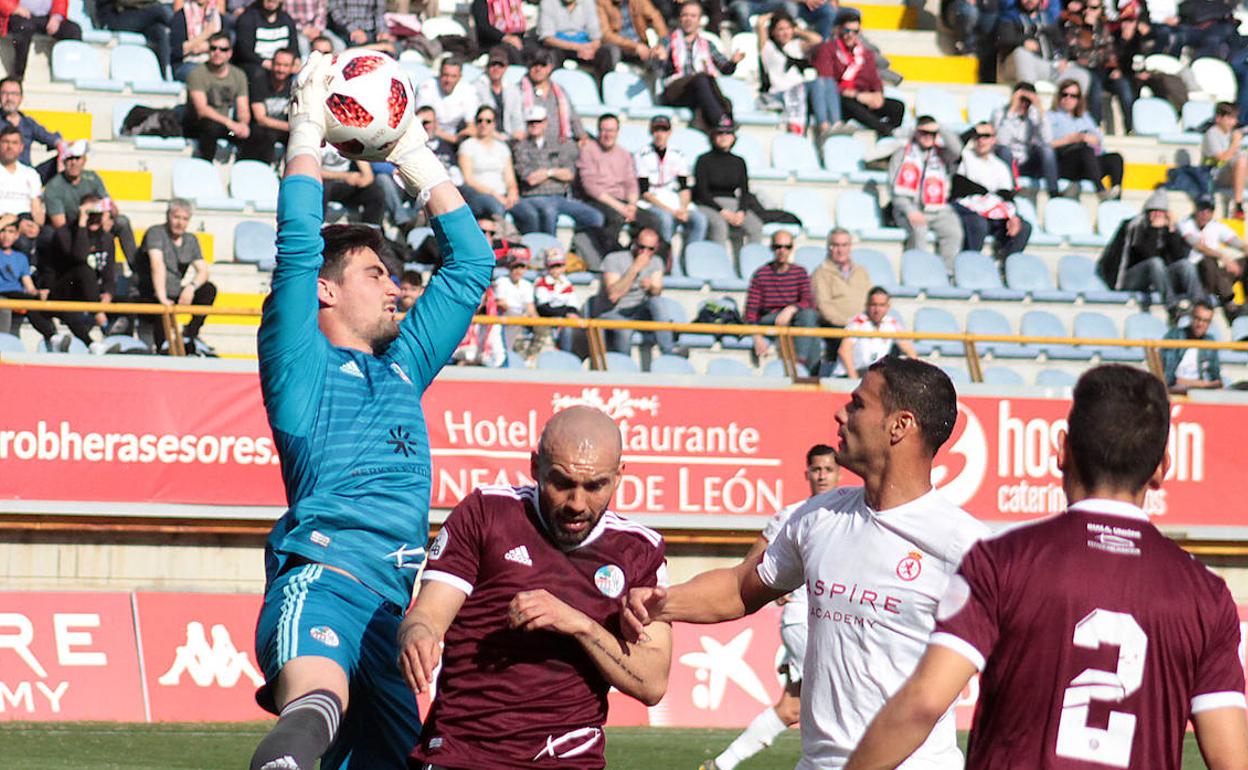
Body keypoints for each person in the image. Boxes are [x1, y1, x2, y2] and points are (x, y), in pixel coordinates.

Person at [247, 50, 493, 770]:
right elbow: (298, 248)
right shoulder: (299, 364)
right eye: (376, 274)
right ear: (326, 293)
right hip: (322, 581)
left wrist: (414, 154)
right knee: (315, 711)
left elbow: (472, 265)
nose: (396, 289)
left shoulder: (401, 367)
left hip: (393, 616)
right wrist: (304, 131)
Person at [844, 364, 1248, 770]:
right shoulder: (1206, 596)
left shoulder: (1002, 561)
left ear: (1061, 450)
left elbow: (924, 703)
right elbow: (1231, 761)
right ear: (1163, 467)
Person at [622, 356, 989, 769]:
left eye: (857, 404)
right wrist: (661, 603)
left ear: (899, 425)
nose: (840, 412)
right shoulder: (817, 518)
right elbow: (739, 588)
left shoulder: (967, 546)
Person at [400, 405, 672, 769]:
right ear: (535, 467)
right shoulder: (487, 513)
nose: (577, 503)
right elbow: (428, 616)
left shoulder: (640, 550)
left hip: (569, 760)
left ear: (619, 476)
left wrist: (580, 625)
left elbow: (652, 682)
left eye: (595, 486)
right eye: (562, 483)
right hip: (463, 753)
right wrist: (417, 636)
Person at [700, 445, 841, 770]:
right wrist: (770, 586)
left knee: (792, 707)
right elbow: (751, 565)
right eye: (816, 469)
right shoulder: (792, 514)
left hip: (829, 622)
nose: (822, 475)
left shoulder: (847, 513)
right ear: (807, 473)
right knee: (837, 703)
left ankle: (721, 765)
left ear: (838, 472)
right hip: (803, 622)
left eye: (828, 469)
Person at [132, 198, 218, 354]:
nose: (180, 223)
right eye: (176, 217)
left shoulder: (190, 240)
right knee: (159, 304)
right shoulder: (156, 233)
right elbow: (157, 265)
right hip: (150, 293)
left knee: (208, 289)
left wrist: (192, 287)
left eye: (185, 219)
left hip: (174, 292)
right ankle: (163, 346)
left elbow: (203, 270)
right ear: (168, 216)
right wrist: (163, 298)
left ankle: (190, 334)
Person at [1098, 188, 1202, 315]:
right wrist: (1153, 230)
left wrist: (1172, 230)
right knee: (1155, 262)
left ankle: (1199, 306)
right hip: (1128, 277)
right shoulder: (1136, 226)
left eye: (1161, 212)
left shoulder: (1168, 228)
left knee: (1186, 265)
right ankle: (1172, 307)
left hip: (1158, 277)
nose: (1157, 215)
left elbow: (1179, 256)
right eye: (1153, 211)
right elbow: (1147, 254)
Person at [510, 106, 605, 241]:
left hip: (560, 196)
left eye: (538, 121)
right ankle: (550, 252)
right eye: (531, 122)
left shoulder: (559, 145)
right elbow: (529, 178)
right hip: (534, 196)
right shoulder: (520, 147)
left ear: (546, 122)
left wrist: (547, 173)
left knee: (594, 216)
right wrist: (556, 173)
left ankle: (586, 250)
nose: (535, 125)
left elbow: (569, 174)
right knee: (549, 212)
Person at [41, 140, 138, 267]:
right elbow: (60, 224)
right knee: (54, 234)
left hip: (97, 223)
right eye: (69, 159)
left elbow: (112, 207)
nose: (73, 163)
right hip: (73, 227)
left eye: (77, 158)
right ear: (63, 161)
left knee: (122, 222)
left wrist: (106, 218)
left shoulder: (92, 178)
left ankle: (137, 269)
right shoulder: (54, 186)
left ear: (84, 160)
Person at [577, 114, 657, 262]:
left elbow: (631, 183)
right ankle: (614, 260)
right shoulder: (588, 150)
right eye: (604, 130)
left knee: (651, 220)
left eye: (611, 130)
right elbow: (590, 186)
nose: (608, 135)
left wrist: (632, 206)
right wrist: (620, 207)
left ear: (617, 132)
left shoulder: (624, 154)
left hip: (623, 202)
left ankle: (646, 260)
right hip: (599, 200)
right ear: (598, 131)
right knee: (614, 219)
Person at [812, 11, 905, 138]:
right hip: (840, 99)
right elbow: (826, 81)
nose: (850, 35)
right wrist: (857, 95)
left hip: (864, 98)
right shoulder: (827, 50)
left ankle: (883, 131)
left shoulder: (865, 54)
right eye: (846, 31)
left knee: (898, 107)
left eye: (855, 32)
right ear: (839, 30)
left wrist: (877, 94)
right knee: (849, 103)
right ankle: (884, 130)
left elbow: (875, 80)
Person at [591, 227, 681, 355]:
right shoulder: (614, 259)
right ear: (634, 243)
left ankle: (668, 352)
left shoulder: (656, 261)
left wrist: (651, 287)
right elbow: (613, 295)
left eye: (650, 249)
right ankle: (624, 366)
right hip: (613, 311)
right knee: (625, 329)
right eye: (641, 247)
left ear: (656, 248)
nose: (644, 252)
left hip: (637, 310)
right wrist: (635, 268)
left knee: (658, 303)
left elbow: (657, 292)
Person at [889, 117, 965, 268]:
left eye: (932, 133)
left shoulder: (942, 155)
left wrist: (940, 126)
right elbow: (894, 189)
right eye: (924, 132)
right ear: (916, 132)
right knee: (919, 230)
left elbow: (958, 150)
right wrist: (910, 211)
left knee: (954, 232)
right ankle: (918, 272)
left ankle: (946, 273)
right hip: (909, 207)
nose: (928, 136)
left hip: (936, 209)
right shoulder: (902, 154)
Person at [42, 193, 116, 346]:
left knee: (127, 302)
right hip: (66, 289)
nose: (95, 218)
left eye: (98, 214)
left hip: (91, 293)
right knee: (84, 269)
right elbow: (80, 256)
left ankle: (121, 342)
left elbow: (109, 272)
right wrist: (82, 225)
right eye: (91, 213)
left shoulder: (107, 238)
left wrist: (108, 293)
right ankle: (101, 320)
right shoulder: (64, 233)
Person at [744, 229, 820, 373]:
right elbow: (751, 311)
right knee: (810, 324)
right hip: (770, 318)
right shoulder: (761, 274)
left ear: (792, 249)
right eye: (778, 247)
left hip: (794, 317)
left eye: (787, 247)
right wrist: (756, 335)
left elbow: (808, 301)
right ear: (772, 248)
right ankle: (800, 368)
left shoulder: (800, 272)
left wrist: (791, 309)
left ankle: (804, 370)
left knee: (811, 325)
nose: (782, 251)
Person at [952, 122, 1031, 261]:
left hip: (992, 212)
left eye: (986, 136)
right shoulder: (964, 156)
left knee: (1023, 227)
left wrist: (1013, 216)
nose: (981, 140)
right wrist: (973, 130)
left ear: (994, 139)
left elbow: (1007, 196)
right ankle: (969, 265)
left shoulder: (1000, 166)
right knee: (978, 223)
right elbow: (954, 145)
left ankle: (1006, 265)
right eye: (978, 136)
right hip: (966, 207)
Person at [660, 1, 742, 131]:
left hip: (699, 90)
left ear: (699, 20)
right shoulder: (668, 41)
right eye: (685, 15)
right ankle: (722, 121)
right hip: (675, 90)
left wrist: (733, 62)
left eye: (693, 16)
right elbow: (659, 65)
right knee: (704, 80)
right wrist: (660, 58)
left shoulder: (707, 44)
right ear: (679, 18)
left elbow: (725, 69)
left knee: (710, 90)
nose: (688, 19)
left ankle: (704, 126)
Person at [635, 115, 707, 256]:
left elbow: (684, 187)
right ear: (651, 132)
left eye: (663, 130)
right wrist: (671, 211)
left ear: (669, 133)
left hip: (673, 198)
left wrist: (683, 209)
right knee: (665, 219)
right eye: (656, 130)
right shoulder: (642, 155)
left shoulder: (677, 154)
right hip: (652, 200)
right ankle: (667, 259)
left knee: (699, 220)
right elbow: (645, 192)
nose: (660, 134)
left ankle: (690, 257)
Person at [693, 118, 763, 257]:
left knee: (756, 226)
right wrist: (722, 211)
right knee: (719, 226)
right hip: (709, 203)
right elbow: (702, 191)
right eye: (720, 133)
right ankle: (718, 264)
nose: (724, 137)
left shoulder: (739, 161)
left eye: (728, 133)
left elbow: (744, 190)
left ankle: (752, 265)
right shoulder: (703, 160)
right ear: (713, 136)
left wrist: (741, 211)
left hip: (733, 202)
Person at [1047, 78, 1124, 201]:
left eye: (1073, 96)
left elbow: (1099, 139)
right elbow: (1045, 144)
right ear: (1058, 96)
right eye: (1064, 94)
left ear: (1079, 99)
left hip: (1088, 162)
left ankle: (1116, 196)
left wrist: (1092, 139)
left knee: (1115, 158)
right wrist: (1071, 139)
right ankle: (1100, 190)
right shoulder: (1050, 116)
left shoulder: (1085, 117)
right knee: (1085, 150)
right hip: (1065, 160)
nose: (1068, 99)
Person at [184, 32, 252, 161]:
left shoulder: (238, 75)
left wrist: (242, 125)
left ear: (230, 53)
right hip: (198, 126)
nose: (217, 52)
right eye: (213, 48)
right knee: (210, 127)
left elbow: (243, 108)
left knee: (254, 133)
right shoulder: (197, 74)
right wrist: (230, 123)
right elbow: (202, 110)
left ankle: (246, 172)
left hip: (226, 128)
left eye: (223, 49)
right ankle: (205, 166)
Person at [1179, 198, 1248, 318]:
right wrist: (1223, 257)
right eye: (1202, 210)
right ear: (1195, 210)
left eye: (1208, 211)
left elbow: (1238, 243)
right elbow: (1197, 245)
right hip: (1196, 272)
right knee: (1208, 261)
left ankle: (1241, 302)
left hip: (1216, 275)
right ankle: (1228, 302)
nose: (1205, 214)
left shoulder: (1215, 226)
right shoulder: (1186, 223)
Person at [811, 228, 872, 365]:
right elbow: (823, 306)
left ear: (850, 247)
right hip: (837, 328)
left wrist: (864, 324)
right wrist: (849, 325)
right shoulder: (820, 273)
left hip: (862, 326)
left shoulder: (861, 271)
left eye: (844, 245)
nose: (840, 250)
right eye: (836, 245)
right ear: (829, 247)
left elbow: (871, 299)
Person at [992, 81, 1059, 199]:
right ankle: (1011, 190)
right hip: (1007, 160)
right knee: (1004, 151)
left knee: (1047, 150)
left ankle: (1053, 191)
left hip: (1027, 160)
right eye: (1021, 100)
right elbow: (1001, 141)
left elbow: (1048, 140)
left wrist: (1039, 108)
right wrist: (1012, 111)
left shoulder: (1034, 114)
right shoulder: (1001, 112)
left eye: (1027, 101)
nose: (1023, 104)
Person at [832, 286, 916, 379]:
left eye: (881, 305)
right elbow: (844, 351)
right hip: (848, 375)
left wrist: (916, 375)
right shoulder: (857, 323)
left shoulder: (892, 324)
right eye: (874, 305)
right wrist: (854, 379)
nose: (877, 310)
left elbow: (909, 350)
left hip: (872, 376)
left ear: (888, 307)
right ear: (867, 305)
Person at [760, 12, 820, 136]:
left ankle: (826, 124)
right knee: (799, 91)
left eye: (788, 28)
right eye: (781, 29)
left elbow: (816, 40)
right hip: (780, 92)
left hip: (800, 89)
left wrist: (795, 30)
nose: (785, 32)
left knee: (822, 82)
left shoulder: (797, 45)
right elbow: (760, 23)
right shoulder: (768, 48)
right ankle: (797, 126)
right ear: (773, 31)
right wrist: (772, 14)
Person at [457, 105, 521, 221]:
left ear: (494, 124)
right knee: (496, 208)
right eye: (480, 120)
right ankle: (500, 238)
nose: (483, 124)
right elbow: (469, 180)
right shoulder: (467, 146)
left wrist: (512, 192)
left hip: (503, 194)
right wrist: (494, 194)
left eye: (488, 121)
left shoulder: (502, 148)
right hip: (479, 195)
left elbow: (510, 178)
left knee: (528, 212)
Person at [0, 213, 55, 345]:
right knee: (6, 307)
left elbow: (29, 286)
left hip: (17, 296)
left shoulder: (20, 257)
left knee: (34, 302)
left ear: (17, 235)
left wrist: (39, 293)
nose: (6, 236)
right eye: (2, 231)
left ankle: (53, 337)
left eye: (11, 232)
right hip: (3, 296)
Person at [538, 0, 621, 85]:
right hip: (560, 46)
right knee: (551, 54)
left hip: (585, 46)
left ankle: (602, 88)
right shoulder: (548, 3)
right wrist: (577, 47)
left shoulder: (588, 3)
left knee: (609, 52)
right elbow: (547, 38)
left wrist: (591, 49)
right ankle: (553, 89)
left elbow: (596, 37)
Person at [1, 79, 66, 185]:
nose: (9, 98)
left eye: (14, 94)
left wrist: (62, 151)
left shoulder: (28, 123)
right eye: (5, 93)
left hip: (25, 177)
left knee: (69, 157)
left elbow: (51, 139)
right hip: (2, 174)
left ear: (21, 98)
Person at [1, 0, 82, 82]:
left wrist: (56, 16)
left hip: (46, 17)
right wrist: (14, 8)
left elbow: (61, 2)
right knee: (24, 28)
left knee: (73, 30)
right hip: (16, 14)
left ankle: (72, 73)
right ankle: (18, 75)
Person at [519, 48, 586, 145]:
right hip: (530, 145)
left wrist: (581, 135)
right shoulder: (519, 91)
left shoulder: (560, 92)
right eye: (534, 65)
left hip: (559, 144)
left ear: (550, 67)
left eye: (542, 65)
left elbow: (573, 117)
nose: (538, 69)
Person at [242, 47, 296, 164]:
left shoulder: (295, 86)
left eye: (286, 66)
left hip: (283, 128)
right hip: (261, 129)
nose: (281, 69)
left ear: (292, 68)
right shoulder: (259, 81)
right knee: (266, 135)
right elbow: (261, 119)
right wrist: (293, 127)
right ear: (271, 64)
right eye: (278, 64)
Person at [97, 0, 175, 79]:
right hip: (113, 19)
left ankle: (167, 73)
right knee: (161, 11)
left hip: (133, 13)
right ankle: (181, 38)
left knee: (159, 31)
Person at [1162, 300, 1224, 394]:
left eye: (1206, 321)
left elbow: (1215, 375)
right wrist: (1202, 384)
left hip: (1202, 392)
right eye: (1197, 319)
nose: (1200, 324)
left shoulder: (1210, 341)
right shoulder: (1174, 336)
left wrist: (1213, 385)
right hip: (1176, 390)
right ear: (1191, 317)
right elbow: (1169, 377)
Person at [416, 58, 481, 145]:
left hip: (455, 138)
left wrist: (460, 137)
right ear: (439, 74)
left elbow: (472, 127)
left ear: (460, 77)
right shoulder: (427, 87)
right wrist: (454, 139)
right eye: (445, 75)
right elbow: (424, 121)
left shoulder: (468, 90)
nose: (448, 80)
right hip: (427, 137)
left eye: (453, 76)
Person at [1203, 102, 1247, 220]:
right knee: (1242, 160)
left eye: (1235, 118)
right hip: (1215, 176)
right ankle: (1238, 205)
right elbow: (1221, 158)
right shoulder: (1211, 134)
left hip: (1232, 174)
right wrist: (1236, 142)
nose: (1233, 122)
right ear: (1218, 118)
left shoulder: (1231, 133)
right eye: (1230, 118)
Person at [234, 0, 299, 78]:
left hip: (282, 63)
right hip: (258, 64)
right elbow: (245, 52)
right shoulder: (248, 18)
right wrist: (264, 62)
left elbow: (293, 46)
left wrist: (295, 60)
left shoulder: (287, 19)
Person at [473, 46, 526, 141]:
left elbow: (517, 117)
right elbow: (475, 119)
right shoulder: (475, 88)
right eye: (493, 65)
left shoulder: (513, 90)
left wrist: (519, 132)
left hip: (509, 137)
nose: (496, 69)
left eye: (500, 65)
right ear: (487, 67)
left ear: (506, 68)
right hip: (484, 136)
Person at [492, 245, 538, 352]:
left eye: (522, 267)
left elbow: (531, 308)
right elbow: (502, 305)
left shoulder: (527, 285)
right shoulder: (501, 281)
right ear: (509, 267)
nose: (518, 271)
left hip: (519, 323)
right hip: (502, 323)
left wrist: (536, 321)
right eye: (515, 267)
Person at [597, 0, 668, 67]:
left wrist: (661, 43)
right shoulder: (602, 2)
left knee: (662, 52)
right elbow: (606, 35)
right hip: (619, 45)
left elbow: (655, 17)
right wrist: (635, 47)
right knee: (613, 52)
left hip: (641, 42)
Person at [535, 246, 578, 349]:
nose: (556, 270)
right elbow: (543, 308)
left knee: (570, 330)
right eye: (552, 267)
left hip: (563, 321)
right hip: (547, 320)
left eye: (559, 266)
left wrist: (570, 313)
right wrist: (565, 313)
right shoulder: (542, 283)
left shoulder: (567, 284)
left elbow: (573, 305)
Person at [171, 0, 225, 81]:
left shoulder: (216, 16)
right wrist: (206, 34)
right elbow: (178, 50)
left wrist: (204, 46)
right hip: (186, 63)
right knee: (204, 76)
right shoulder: (182, 15)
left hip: (210, 61)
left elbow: (223, 43)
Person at [327, 0, 395, 50]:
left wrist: (382, 31)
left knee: (394, 48)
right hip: (346, 31)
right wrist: (353, 29)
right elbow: (335, 12)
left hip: (371, 31)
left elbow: (379, 13)